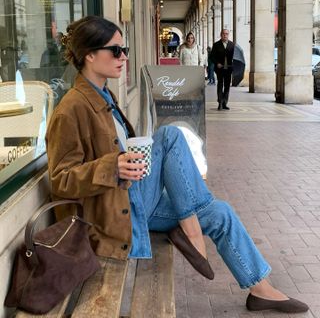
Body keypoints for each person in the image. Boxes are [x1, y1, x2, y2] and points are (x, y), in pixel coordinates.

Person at [45, 16, 308, 314]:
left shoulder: (104, 95)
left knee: (220, 212)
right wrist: (112, 167)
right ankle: (190, 227)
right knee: (170, 135)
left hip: (134, 198)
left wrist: (125, 162)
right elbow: (60, 179)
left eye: (125, 49)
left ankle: (260, 289)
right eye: (116, 51)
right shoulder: (71, 109)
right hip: (112, 215)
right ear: (90, 55)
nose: (124, 58)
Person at [211, 29, 234, 110]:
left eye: (227, 34)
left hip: (228, 68)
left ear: (228, 35)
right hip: (219, 69)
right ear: (221, 34)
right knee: (220, 85)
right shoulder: (216, 45)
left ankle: (225, 103)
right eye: (224, 34)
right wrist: (217, 63)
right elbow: (212, 57)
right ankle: (220, 102)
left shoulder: (232, 45)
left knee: (227, 86)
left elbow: (234, 57)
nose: (225, 35)